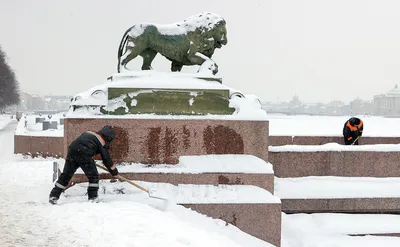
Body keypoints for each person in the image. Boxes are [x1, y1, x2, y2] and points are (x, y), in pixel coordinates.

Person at [49, 125, 119, 204]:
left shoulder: (90, 133)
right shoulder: (102, 141)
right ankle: (93, 198)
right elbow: (107, 159)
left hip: (72, 151)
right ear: (109, 137)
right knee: (94, 177)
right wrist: (114, 171)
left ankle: (54, 195)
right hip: (84, 154)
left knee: (66, 175)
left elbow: (83, 144)